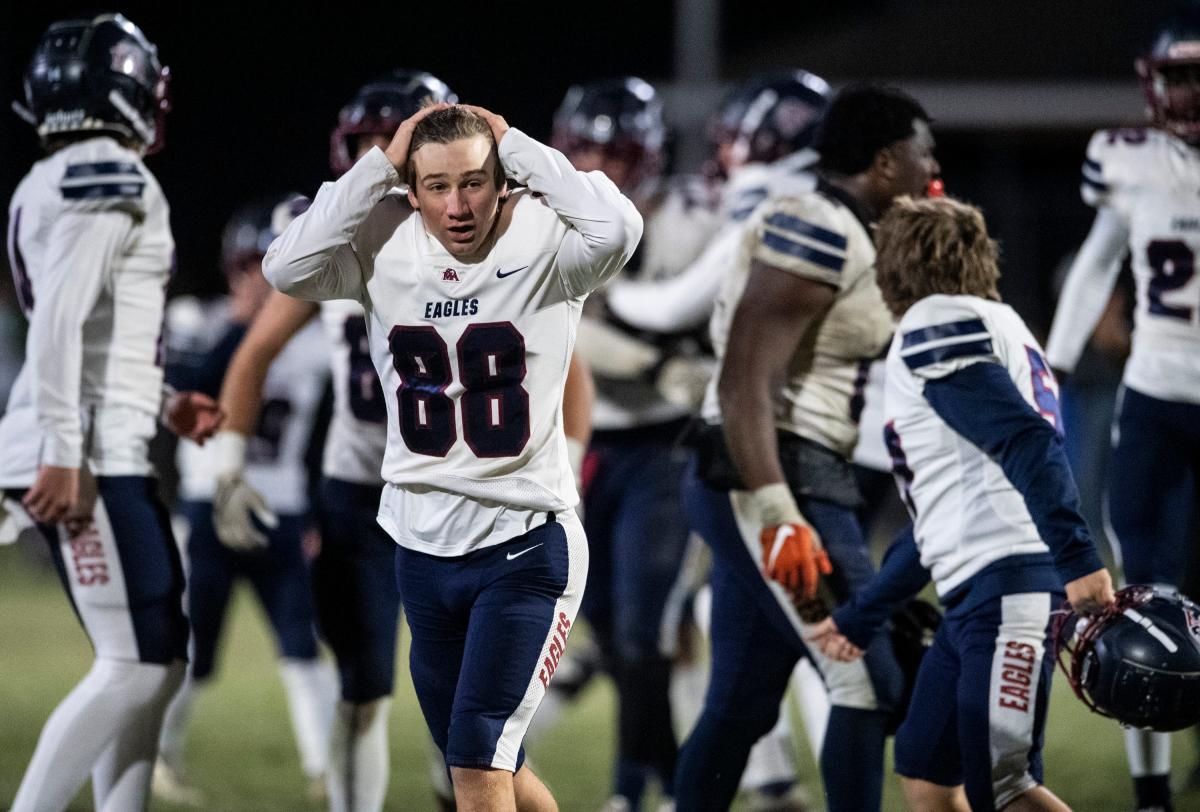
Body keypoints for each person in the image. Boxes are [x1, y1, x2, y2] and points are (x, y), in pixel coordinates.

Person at [262, 101, 641, 809]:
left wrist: (513, 142)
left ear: (503, 179)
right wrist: (381, 162)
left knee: (473, 766)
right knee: (496, 766)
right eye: (436, 185)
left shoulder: (546, 240)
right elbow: (284, 266)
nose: (457, 204)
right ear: (411, 189)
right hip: (421, 547)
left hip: (524, 545)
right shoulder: (386, 245)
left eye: (474, 181)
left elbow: (619, 225)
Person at [673, 84, 939, 812]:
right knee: (867, 678)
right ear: (885, 162)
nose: (932, 165)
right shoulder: (816, 224)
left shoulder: (853, 226)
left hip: (798, 466)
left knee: (740, 703)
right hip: (768, 470)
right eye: (924, 151)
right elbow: (742, 380)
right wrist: (777, 509)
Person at [809, 194, 1116, 812]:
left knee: (1004, 786)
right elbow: (938, 517)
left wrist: (1078, 556)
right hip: (978, 586)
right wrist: (863, 615)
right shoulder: (996, 321)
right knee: (926, 770)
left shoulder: (934, 322)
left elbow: (1024, 439)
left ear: (894, 267)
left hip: (1009, 582)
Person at [203, 70, 455, 812]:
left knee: (471, 696)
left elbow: (562, 372)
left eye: (396, 142)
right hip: (362, 493)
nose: (381, 160)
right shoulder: (344, 238)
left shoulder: (487, 231)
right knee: (363, 688)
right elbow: (252, 354)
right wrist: (226, 467)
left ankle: (458, 792)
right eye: (369, 147)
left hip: (457, 491)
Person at [0, 14, 222, 811]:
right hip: (87, 452)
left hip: (102, 436)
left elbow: (94, 336)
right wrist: (64, 446)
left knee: (155, 663)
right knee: (136, 664)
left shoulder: (50, 177)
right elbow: (57, 317)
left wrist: (164, 403)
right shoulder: (107, 171)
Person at [1044, 13, 1200, 812]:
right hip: (1156, 403)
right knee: (1146, 596)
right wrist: (1054, 371)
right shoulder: (1131, 164)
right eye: (1181, 75)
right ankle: (1151, 792)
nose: (1192, 93)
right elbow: (1097, 264)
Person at [552, 76, 716, 811]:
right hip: (581, 444)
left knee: (646, 623)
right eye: (583, 150)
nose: (596, 167)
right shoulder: (540, 219)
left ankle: (644, 791)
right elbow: (579, 336)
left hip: (664, 445)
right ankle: (659, 780)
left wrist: (639, 339)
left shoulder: (691, 216)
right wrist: (648, 350)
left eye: (610, 153)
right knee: (615, 630)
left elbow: (705, 325)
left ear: (643, 156)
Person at [154, 195, 336, 805]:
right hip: (208, 505)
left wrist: (312, 509)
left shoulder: (317, 342)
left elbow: (328, 437)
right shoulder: (194, 320)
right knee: (193, 650)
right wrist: (241, 324)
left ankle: (323, 768)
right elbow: (186, 396)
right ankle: (160, 756)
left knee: (302, 647)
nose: (262, 279)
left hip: (281, 511)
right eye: (254, 264)